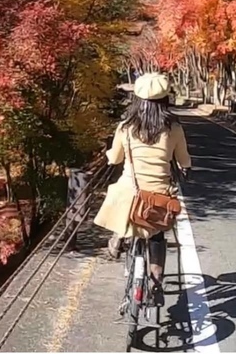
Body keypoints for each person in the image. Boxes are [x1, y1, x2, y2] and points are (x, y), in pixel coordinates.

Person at [94, 72, 191, 304]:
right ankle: (156, 280)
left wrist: (107, 154)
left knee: (120, 195)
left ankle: (118, 236)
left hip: (131, 192)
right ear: (165, 99)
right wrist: (184, 166)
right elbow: (184, 160)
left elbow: (115, 158)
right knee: (157, 235)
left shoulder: (126, 127)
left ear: (137, 99)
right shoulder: (174, 128)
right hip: (158, 195)